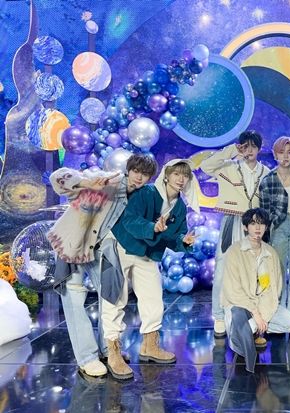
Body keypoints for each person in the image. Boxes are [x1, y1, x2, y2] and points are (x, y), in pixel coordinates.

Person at [47, 154, 156, 378]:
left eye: (145, 175)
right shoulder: (108, 180)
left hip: (102, 249)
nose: (139, 177)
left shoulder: (142, 196)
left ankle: (108, 348)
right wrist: (86, 183)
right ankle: (87, 358)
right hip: (75, 243)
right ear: (129, 169)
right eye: (136, 171)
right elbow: (57, 177)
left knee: (110, 296)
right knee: (74, 299)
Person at [102, 159, 199, 379]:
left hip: (147, 253)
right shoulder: (145, 193)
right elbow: (128, 220)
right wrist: (152, 227)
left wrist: (184, 241)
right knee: (115, 298)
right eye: (176, 174)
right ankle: (113, 352)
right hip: (122, 246)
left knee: (154, 299)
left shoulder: (180, 207)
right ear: (166, 175)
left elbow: (175, 236)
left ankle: (149, 346)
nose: (181, 179)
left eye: (185, 176)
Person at [201, 130, 270, 338]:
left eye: (253, 146)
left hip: (256, 225)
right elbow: (205, 167)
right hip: (233, 221)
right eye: (245, 146)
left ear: (259, 149)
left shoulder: (266, 172)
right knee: (223, 268)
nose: (249, 150)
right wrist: (231, 151)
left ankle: (254, 315)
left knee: (256, 271)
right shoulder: (228, 167)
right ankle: (219, 316)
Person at [221, 208, 290, 373]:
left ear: (266, 227)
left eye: (261, 224)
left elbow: (272, 290)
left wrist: (261, 315)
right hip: (239, 304)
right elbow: (233, 291)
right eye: (253, 223)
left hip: (263, 304)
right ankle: (243, 332)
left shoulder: (270, 253)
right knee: (240, 331)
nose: (257, 228)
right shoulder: (234, 251)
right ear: (245, 227)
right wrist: (255, 313)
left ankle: (252, 330)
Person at [259, 136, 290, 333]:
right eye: (281, 152)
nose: (285, 156)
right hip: (278, 227)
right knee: (277, 274)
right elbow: (264, 211)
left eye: (289, 153)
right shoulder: (268, 180)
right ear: (275, 154)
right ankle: (277, 317)